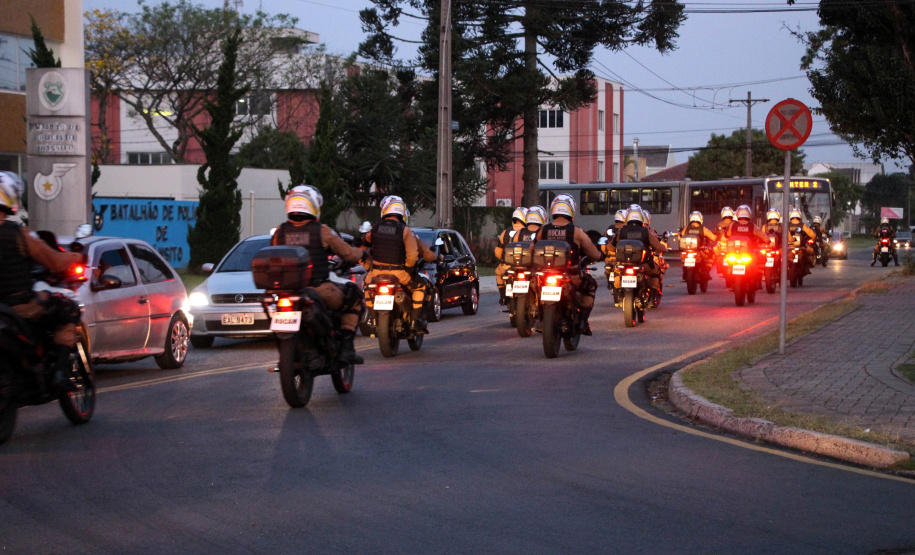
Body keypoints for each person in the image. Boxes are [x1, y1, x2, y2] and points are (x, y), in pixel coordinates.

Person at [0, 171, 85, 389]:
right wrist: (77, 256)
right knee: (69, 308)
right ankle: (60, 373)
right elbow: (55, 262)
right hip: (20, 306)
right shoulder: (18, 234)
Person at [272, 185, 367, 364]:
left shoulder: (279, 232)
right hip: (318, 289)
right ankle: (346, 348)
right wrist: (362, 254)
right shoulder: (322, 231)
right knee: (354, 297)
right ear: (314, 206)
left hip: (286, 292)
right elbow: (347, 253)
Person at [533, 194, 601, 335]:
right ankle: (582, 321)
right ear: (571, 210)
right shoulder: (576, 232)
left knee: (534, 291)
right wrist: (598, 256)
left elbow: (530, 250)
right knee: (591, 286)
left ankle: (539, 317)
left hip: (544, 275)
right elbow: (594, 254)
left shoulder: (543, 230)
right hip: (571, 275)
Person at [360, 195, 429, 333]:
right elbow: (412, 256)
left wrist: (368, 266)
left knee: (367, 287)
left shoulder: (373, 230)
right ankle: (414, 322)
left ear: (385, 211)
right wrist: (408, 270)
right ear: (402, 213)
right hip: (399, 273)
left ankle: (373, 319)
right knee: (420, 287)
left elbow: (360, 251)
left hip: (375, 273)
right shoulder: (405, 231)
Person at [612, 205, 668, 304]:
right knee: (656, 271)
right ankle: (652, 297)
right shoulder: (646, 231)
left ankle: (618, 294)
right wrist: (664, 247)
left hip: (624, 265)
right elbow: (659, 247)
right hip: (643, 265)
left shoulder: (622, 231)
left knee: (616, 271)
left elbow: (610, 247)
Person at [494, 207, 528, 304]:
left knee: (498, 273)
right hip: (523, 265)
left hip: (507, 266)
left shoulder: (505, 232)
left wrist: (503, 259)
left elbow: (498, 252)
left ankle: (503, 297)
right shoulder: (526, 232)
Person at [678, 210, 718, 280]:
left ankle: (685, 271)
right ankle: (706, 272)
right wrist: (717, 236)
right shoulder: (703, 229)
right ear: (700, 219)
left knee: (683, 258)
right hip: (700, 251)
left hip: (687, 251)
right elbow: (713, 238)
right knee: (712, 255)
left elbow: (680, 237)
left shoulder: (686, 228)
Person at [602, 209, 627, 303]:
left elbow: (604, 243)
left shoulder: (609, 229)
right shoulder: (625, 228)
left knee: (608, 269)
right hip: (621, 257)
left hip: (609, 257)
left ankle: (609, 282)